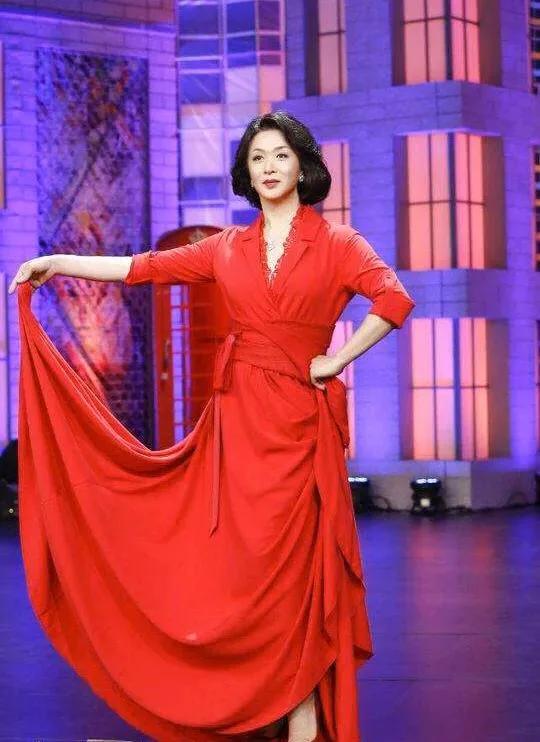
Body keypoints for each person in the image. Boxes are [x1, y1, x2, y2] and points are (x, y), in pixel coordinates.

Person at [9, 111, 416, 742]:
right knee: (242, 575)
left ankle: (302, 715)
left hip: (301, 432)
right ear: (246, 174)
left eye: (280, 155)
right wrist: (57, 261)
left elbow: (393, 299)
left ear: (303, 166)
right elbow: (141, 268)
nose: (270, 167)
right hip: (237, 428)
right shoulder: (225, 248)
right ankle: (258, 706)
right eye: (257, 158)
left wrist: (337, 359)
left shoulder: (340, 243)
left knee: (299, 576)